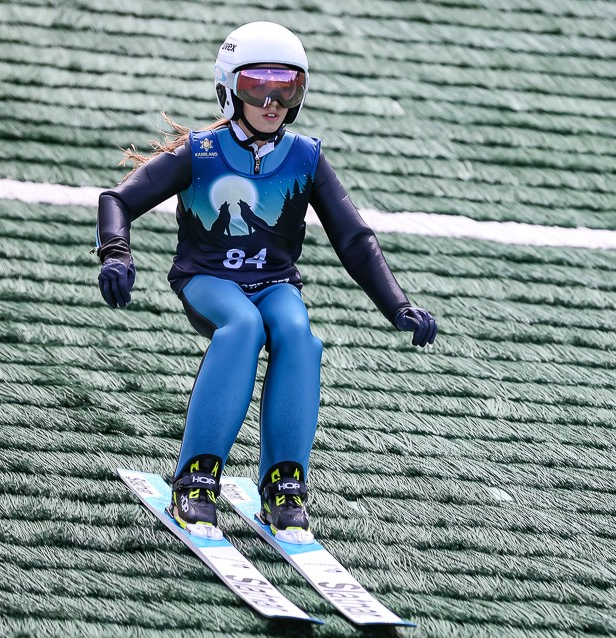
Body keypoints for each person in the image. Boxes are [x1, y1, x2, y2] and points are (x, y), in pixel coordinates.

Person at [94, 21, 437, 544]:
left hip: (275, 281)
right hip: (209, 278)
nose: (273, 102)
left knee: (298, 336)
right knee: (242, 327)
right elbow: (117, 199)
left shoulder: (305, 156)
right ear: (229, 89)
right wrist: (116, 253)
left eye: (287, 88)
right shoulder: (202, 151)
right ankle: (197, 478)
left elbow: (353, 238)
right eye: (258, 87)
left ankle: (284, 485)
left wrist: (398, 305)